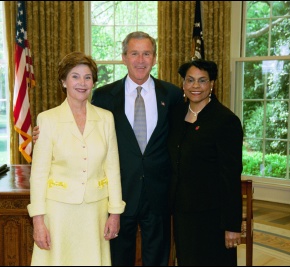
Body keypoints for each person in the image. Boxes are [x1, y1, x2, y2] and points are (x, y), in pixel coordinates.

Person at [33, 31, 183, 265]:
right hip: (118, 197)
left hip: (157, 195)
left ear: (155, 58)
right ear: (124, 57)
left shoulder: (172, 94)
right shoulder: (104, 97)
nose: (140, 60)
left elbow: (179, 140)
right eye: (134, 53)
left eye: (146, 54)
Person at [27, 51, 126, 266]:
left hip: (95, 213)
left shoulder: (106, 118)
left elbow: (113, 168)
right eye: (75, 76)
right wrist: (38, 221)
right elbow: (39, 175)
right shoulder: (47, 120)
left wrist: (115, 212)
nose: (82, 83)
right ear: (63, 81)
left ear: (93, 82)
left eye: (87, 77)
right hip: (58, 214)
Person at [167, 59, 243, 266]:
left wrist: (232, 225)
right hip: (182, 213)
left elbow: (230, 176)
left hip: (213, 217)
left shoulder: (225, 121)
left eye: (202, 81)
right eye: (190, 80)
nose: (195, 86)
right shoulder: (175, 115)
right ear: (183, 84)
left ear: (212, 84)